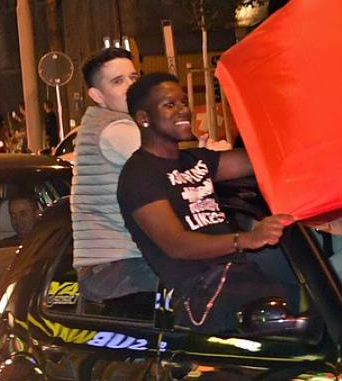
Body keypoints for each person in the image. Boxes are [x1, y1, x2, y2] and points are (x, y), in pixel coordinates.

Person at [118, 72, 293, 333]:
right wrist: (245, 239)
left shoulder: (195, 160)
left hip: (240, 279)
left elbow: (264, 160)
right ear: (144, 118)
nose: (183, 111)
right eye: (170, 105)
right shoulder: (139, 175)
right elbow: (176, 245)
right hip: (205, 299)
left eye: (184, 102)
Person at [70, 47, 158, 303]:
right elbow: (171, 170)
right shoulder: (116, 128)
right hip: (120, 268)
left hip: (113, 268)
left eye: (133, 78)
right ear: (97, 95)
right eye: (118, 82)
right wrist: (209, 157)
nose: (131, 87)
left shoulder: (102, 122)